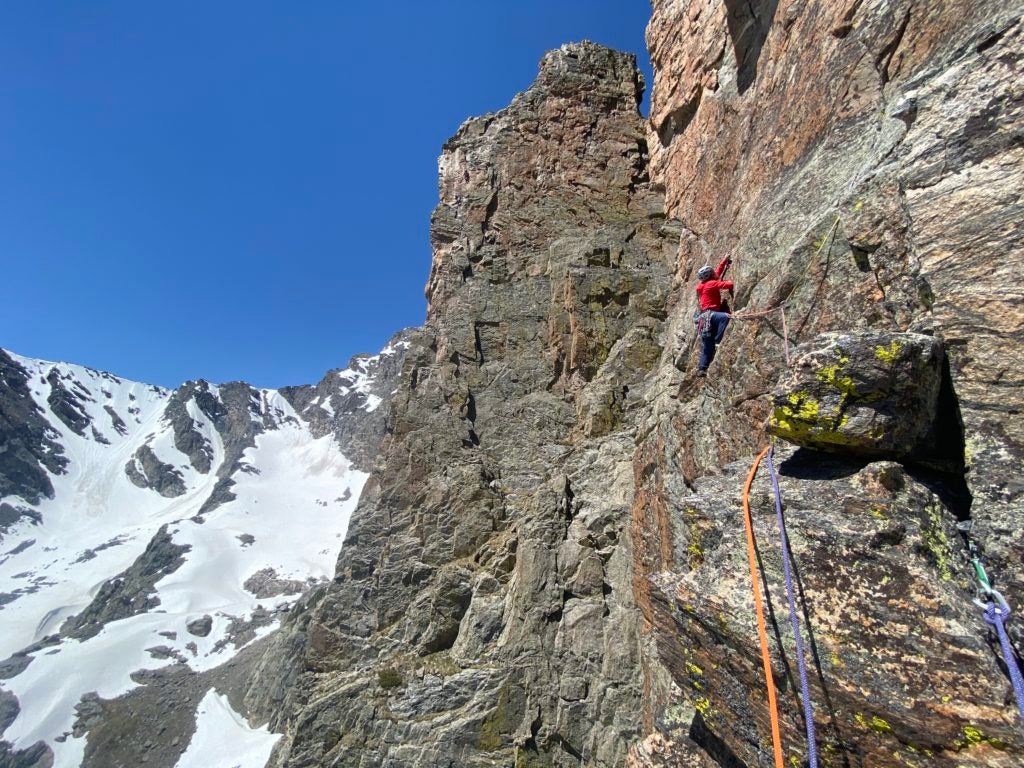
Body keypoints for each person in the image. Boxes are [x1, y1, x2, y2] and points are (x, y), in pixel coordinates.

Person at [694, 256, 734, 376]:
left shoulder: (701, 286)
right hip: (712, 315)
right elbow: (729, 285)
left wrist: (724, 261)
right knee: (725, 317)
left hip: (703, 317)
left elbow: (717, 273)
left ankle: (702, 368)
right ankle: (718, 339)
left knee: (707, 345)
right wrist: (727, 282)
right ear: (710, 275)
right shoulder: (712, 283)